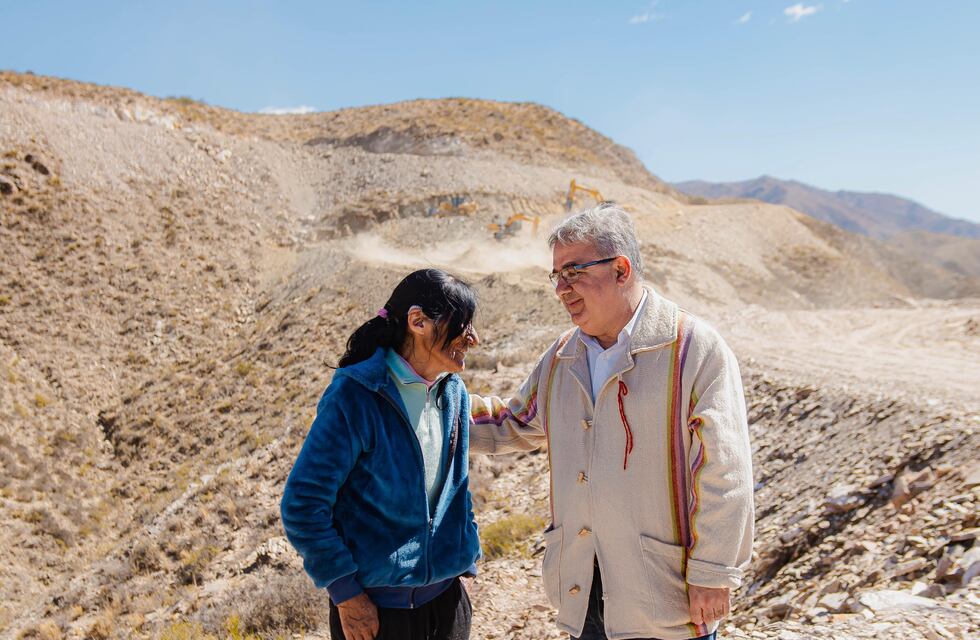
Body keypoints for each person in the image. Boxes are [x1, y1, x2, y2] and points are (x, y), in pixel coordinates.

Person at [469, 203, 754, 640]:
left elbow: (725, 470)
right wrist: (428, 406)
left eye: (574, 272)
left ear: (621, 269)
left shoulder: (693, 349)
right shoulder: (564, 354)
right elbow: (514, 421)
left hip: (663, 598)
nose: (562, 289)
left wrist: (713, 571)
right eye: (557, 276)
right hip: (584, 593)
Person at [281, 268, 482, 640]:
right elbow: (303, 505)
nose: (473, 339)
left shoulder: (454, 393)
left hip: (448, 603)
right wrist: (346, 594)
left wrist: (464, 565)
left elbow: (457, 489)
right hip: (377, 615)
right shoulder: (355, 396)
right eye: (463, 325)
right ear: (417, 322)